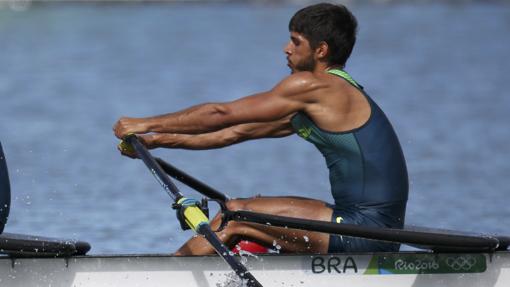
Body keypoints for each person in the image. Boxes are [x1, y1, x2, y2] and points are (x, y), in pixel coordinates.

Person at [113, 3, 408, 255]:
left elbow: (222, 114)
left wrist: (146, 122)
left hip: (364, 230)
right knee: (246, 211)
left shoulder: (318, 87)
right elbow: (236, 132)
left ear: (320, 50)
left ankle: (163, 276)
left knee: (237, 214)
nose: (286, 49)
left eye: (295, 42)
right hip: (368, 225)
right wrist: (156, 141)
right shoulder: (326, 98)